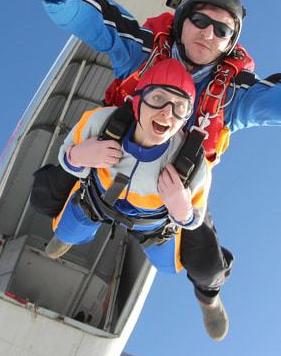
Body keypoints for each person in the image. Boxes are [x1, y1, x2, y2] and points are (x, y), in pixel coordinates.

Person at [21, 0, 281, 339]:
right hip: (110, 169)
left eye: (222, 30)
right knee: (47, 192)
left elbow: (280, 102)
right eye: (200, 21)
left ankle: (210, 299)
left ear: (230, 44)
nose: (207, 34)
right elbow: (102, 24)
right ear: (182, 20)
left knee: (208, 264)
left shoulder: (232, 94)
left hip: (169, 201)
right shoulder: (144, 53)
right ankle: (65, 239)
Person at [45, 58, 224, 339]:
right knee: (66, 228)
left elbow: (195, 218)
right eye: (158, 98)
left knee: (167, 267)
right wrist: (79, 156)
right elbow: (65, 154)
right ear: (137, 100)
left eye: (179, 107)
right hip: (97, 202)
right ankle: (66, 238)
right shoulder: (102, 121)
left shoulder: (193, 161)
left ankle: (209, 298)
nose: (167, 113)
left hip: (153, 226)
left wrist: (181, 208)